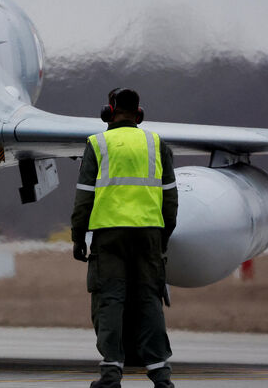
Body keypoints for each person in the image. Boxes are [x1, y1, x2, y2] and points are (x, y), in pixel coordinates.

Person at [70, 88, 179, 388]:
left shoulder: (98, 143)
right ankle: (161, 375)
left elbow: (84, 198)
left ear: (109, 111)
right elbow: (170, 199)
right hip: (148, 235)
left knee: (110, 301)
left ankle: (111, 375)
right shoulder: (156, 143)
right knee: (149, 300)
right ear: (139, 113)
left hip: (110, 236)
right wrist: (163, 237)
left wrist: (78, 236)